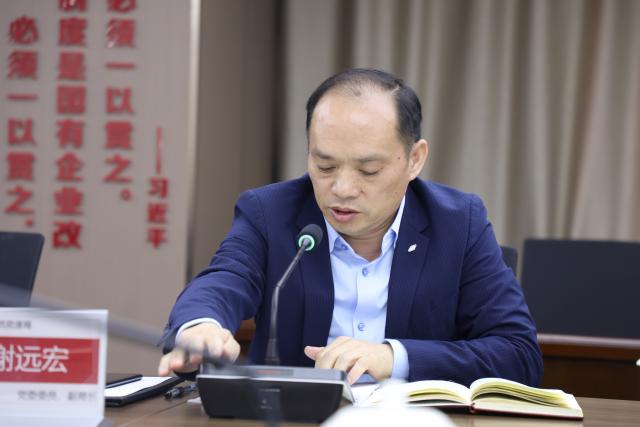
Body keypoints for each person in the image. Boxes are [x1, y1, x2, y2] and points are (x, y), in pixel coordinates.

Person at [158, 68, 543, 386]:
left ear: (415, 159)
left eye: (368, 170)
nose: (341, 189)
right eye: (324, 166)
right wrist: (201, 327)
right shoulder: (270, 213)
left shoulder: (458, 223)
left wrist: (394, 357)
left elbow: (518, 353)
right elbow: (223, 280)